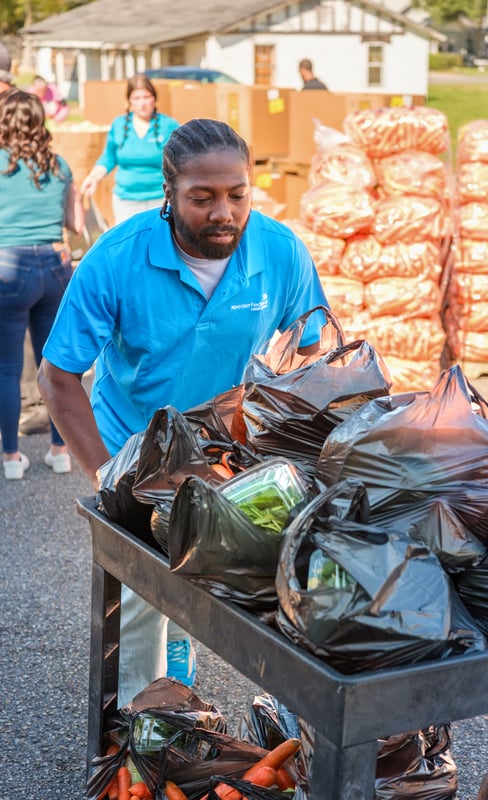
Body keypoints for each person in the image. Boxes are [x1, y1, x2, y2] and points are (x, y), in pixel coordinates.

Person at [38, 117, 329, 706]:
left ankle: (193, 662)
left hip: (227, 448)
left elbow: (311, 347)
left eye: (237, 195)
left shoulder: (279, 251)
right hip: (135, 445)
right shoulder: (116, 259)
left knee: (238, 576)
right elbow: (58, 374)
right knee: (143, 595)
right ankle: (141, 731)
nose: (223, 212)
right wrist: (104, 474)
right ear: (167, 196)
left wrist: (274, 416)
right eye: (203, 198)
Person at [0, 90, 84, 480]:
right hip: (54, 267)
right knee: (56, 366)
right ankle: (60, 450)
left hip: (8, 267)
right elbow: (77, 225)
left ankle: (12, 458)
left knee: (7, 368)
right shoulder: (60, 165)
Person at [80, 74, 179, 225]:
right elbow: (109, 157)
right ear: (130, 101)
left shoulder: (168, 125)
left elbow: (183, 159)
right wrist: (93, 178)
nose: (143, 103)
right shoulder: (119, 125)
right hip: (126, 200)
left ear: (154, 98)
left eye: (147, 97)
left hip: (161, 199)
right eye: (137, 98)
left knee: (158, 244)